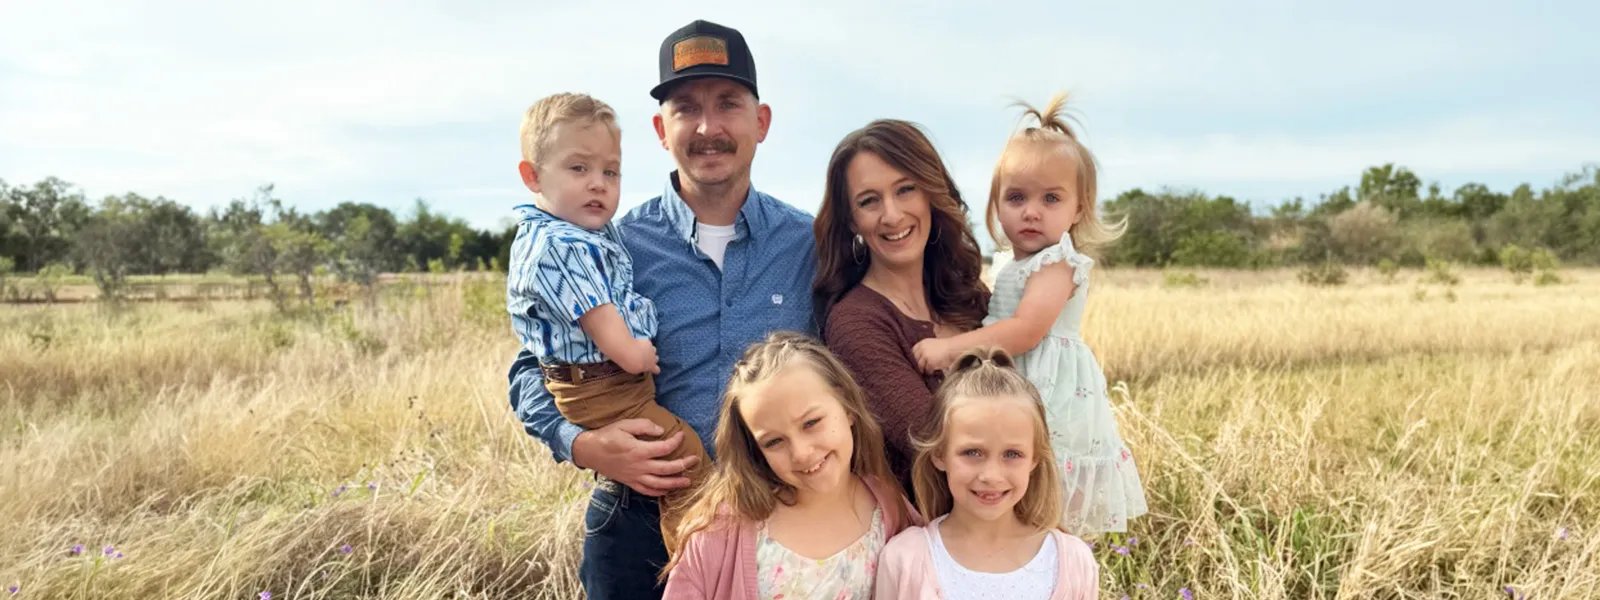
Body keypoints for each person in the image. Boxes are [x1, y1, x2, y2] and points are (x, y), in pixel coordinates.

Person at [504, 19, 818, 600]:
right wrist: (581, 444)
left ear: (761, 121)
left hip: (781, 518)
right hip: (637, 522)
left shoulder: (810, 245)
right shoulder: (609, 245)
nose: (707, 127)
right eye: (685, 108)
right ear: (660, 130)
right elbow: (531, 368)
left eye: (727, 104)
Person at [910, 93, 1147, 535]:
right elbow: (994, 322)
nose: (1031, 212)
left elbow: (1024, 330)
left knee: (1045, 489)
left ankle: (1052, 558)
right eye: (1016, 197)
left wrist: (950, 349)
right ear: (996, 204)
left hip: (1050, 391)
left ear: (1079, 209)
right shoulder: (1008, 263)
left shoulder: (1058, 262)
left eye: (1051, 198)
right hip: (1016, 384)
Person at [505, 91, 708, 550]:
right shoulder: (571, 243)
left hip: (617, 389)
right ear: (532, 175)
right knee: (686, 464)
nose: (598, 184)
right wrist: (579, 444)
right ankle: (699, 565)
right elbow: (537, 362)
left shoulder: (598, 236)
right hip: (607, 392)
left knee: (686, 469)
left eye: (610, 172)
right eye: (579, 168)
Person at [661, 332, 924, 600]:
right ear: (755, 449)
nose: (801, 453)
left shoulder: (892, 512)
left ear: (847, 407)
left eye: (811, 423)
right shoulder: (719, 532)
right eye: (774, 442)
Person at [812, 119, 991, 498]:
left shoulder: (969, 295)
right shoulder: (856, 323)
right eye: (869, 201)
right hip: (933, 527)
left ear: (930, 193)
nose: (892, 215)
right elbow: (937, 444)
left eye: (906, 189)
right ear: (852, 220)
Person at [875, 348, 1099, 600]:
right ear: (939, 454)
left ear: (1035, 458)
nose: (991, 476)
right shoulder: (904, 560)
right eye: (972, 452)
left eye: (1012, 454)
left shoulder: (1074, 563)